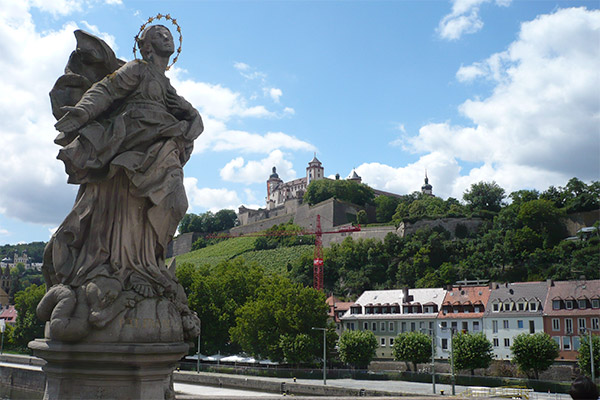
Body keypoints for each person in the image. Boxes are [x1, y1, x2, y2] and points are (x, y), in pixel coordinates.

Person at [40, 24, 202, 341]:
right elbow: (106, 90)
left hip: (158, 144)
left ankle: (146, 264)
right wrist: (83, 113)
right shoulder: (137, 69)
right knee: (127, 199)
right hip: (130, 140)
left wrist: (190, 124)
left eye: (169, 33)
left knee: (174, 200)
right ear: (144, 46)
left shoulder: (166, 87)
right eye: (158, 33)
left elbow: (191, 115)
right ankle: (125, 265)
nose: (166, 35)